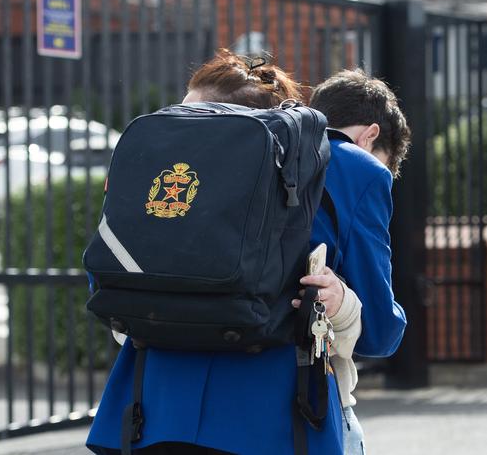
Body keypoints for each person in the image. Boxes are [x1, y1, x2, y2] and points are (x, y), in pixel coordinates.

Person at [87, 50, 349, 455]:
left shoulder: (157, 162)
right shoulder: (334, 172)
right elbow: (380, 333)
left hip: (153, 407)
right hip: (267, 415)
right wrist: (341, 304)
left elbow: (106, 279)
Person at [307, 68, 412, 455]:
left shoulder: (266, 155)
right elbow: (378, 332)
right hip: (307, 400)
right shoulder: (360, 169)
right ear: (370, 135)